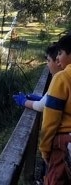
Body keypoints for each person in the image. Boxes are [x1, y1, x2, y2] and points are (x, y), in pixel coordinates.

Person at [39, 34, 71, 185]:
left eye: (60, 53)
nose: (57, 58)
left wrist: (45, 149)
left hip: (63, 143)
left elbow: (50, 121)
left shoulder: (62, 78)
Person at [13, 42, 61, 111]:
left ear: (58, 61)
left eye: (49, 61)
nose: (47, 65)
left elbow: (41, 106)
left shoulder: (60, 79)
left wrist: (23, 101)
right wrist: (43, 98)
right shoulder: (61, 78)